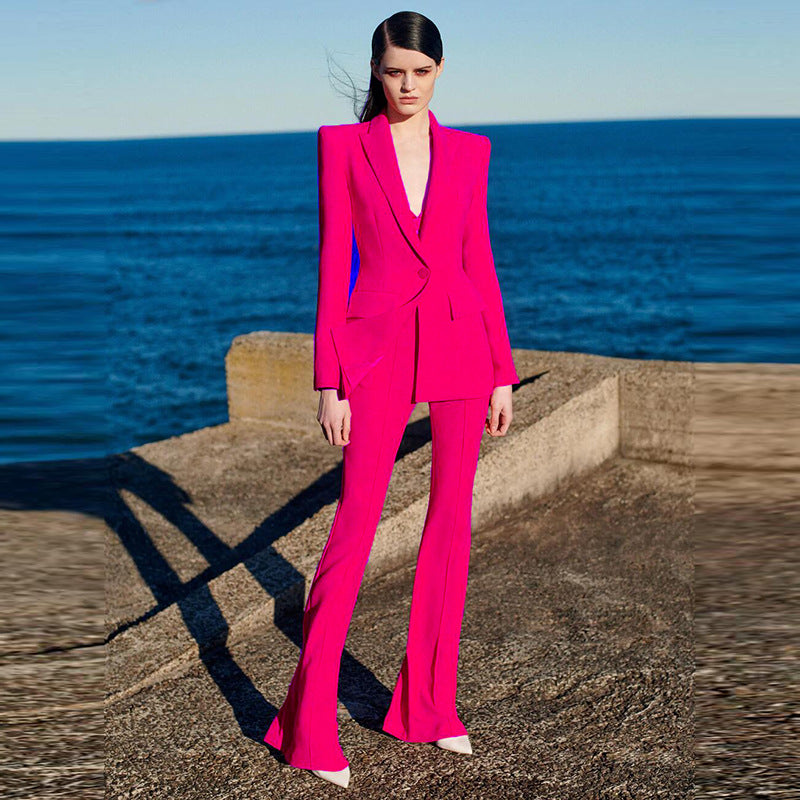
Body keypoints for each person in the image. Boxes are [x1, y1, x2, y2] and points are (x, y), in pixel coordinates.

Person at [264, 11, 520, 789]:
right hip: (373, 352)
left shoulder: (470, 152)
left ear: (439, 73)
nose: (407, 86)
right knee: (354, 527)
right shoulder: (342, 146)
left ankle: (427, 708)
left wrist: (501, 370)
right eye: (394, 71)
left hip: (461, 345)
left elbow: (479, 260)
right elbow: (331, 262)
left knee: (450, 526)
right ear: (376, 72)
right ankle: (308, 730)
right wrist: (329, 380)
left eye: (421, 72)